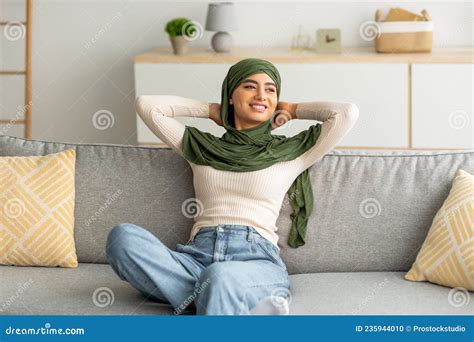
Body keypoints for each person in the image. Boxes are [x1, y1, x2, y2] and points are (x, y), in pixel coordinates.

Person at [106, 58, 359, 315]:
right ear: (230, 95)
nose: (262, 95)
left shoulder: (291, 152)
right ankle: (213, 298)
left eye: (270, 90)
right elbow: (148, 106)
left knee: (221, 276)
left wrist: (291, 109)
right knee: (123, 237)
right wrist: (210, 110)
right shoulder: (199, 146)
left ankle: (207, 294)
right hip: (196, 258)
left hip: (256, 259)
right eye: (250, 86)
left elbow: (345, 113)